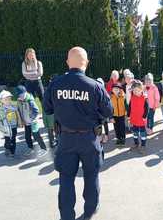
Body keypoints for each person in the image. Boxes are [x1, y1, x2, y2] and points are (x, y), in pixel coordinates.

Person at [43, 47, 113, 220]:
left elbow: (47, 108)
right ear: (86, 63)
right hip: (89, 138)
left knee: (66, 178)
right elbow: (108, 111)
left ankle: (67, 216)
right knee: (91, 175)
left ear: (68, 62)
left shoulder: (55, 84)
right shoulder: (95, 86)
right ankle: (89, 211)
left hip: (65, 138)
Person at [15, 85, 48, 157]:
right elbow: (19, 110)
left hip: (33, 123)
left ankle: (43, 148)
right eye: (19, 95)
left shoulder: (30, 100)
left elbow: (36, 110)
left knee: (36, 136)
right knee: (27, 136)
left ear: (25, 92)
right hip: (26, 123)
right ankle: (30, 148)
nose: (20, 96)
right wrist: (21, 120)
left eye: (21, 95)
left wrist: (31, 119)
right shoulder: (19, 101)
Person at [0, 90, 20, 158]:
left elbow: (18, 115)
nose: (8, 101)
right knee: (8, 140)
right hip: (6, 128)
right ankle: (7, 148)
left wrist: (19, 123)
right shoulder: (0, 110)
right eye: (6, 99)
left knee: (13, 139)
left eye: (9, 99)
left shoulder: (13, 107)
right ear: (1, 100)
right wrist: (2, 128)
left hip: (13, 126)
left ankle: (12, 152)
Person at [127, 80, 149, 154]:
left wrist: (144, 116)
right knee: (135, 132)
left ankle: (143, 145)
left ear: (141, 90)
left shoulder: (144, 98)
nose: (136, 92)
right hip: (134, 118)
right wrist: (128, 115)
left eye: (137, 90)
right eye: (134, 90)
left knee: (142, 133)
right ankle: (136, 143)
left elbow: (147, 108)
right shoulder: (132, 97)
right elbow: (129, 107)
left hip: (141, 119)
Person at [97, 78, 109, 144]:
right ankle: (100, 136)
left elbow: (107, 102)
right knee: (99, 124)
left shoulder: (105, 92)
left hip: (104, 110)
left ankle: (106, 135)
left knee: (105, 123)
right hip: (98, 111)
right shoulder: (95, 91)